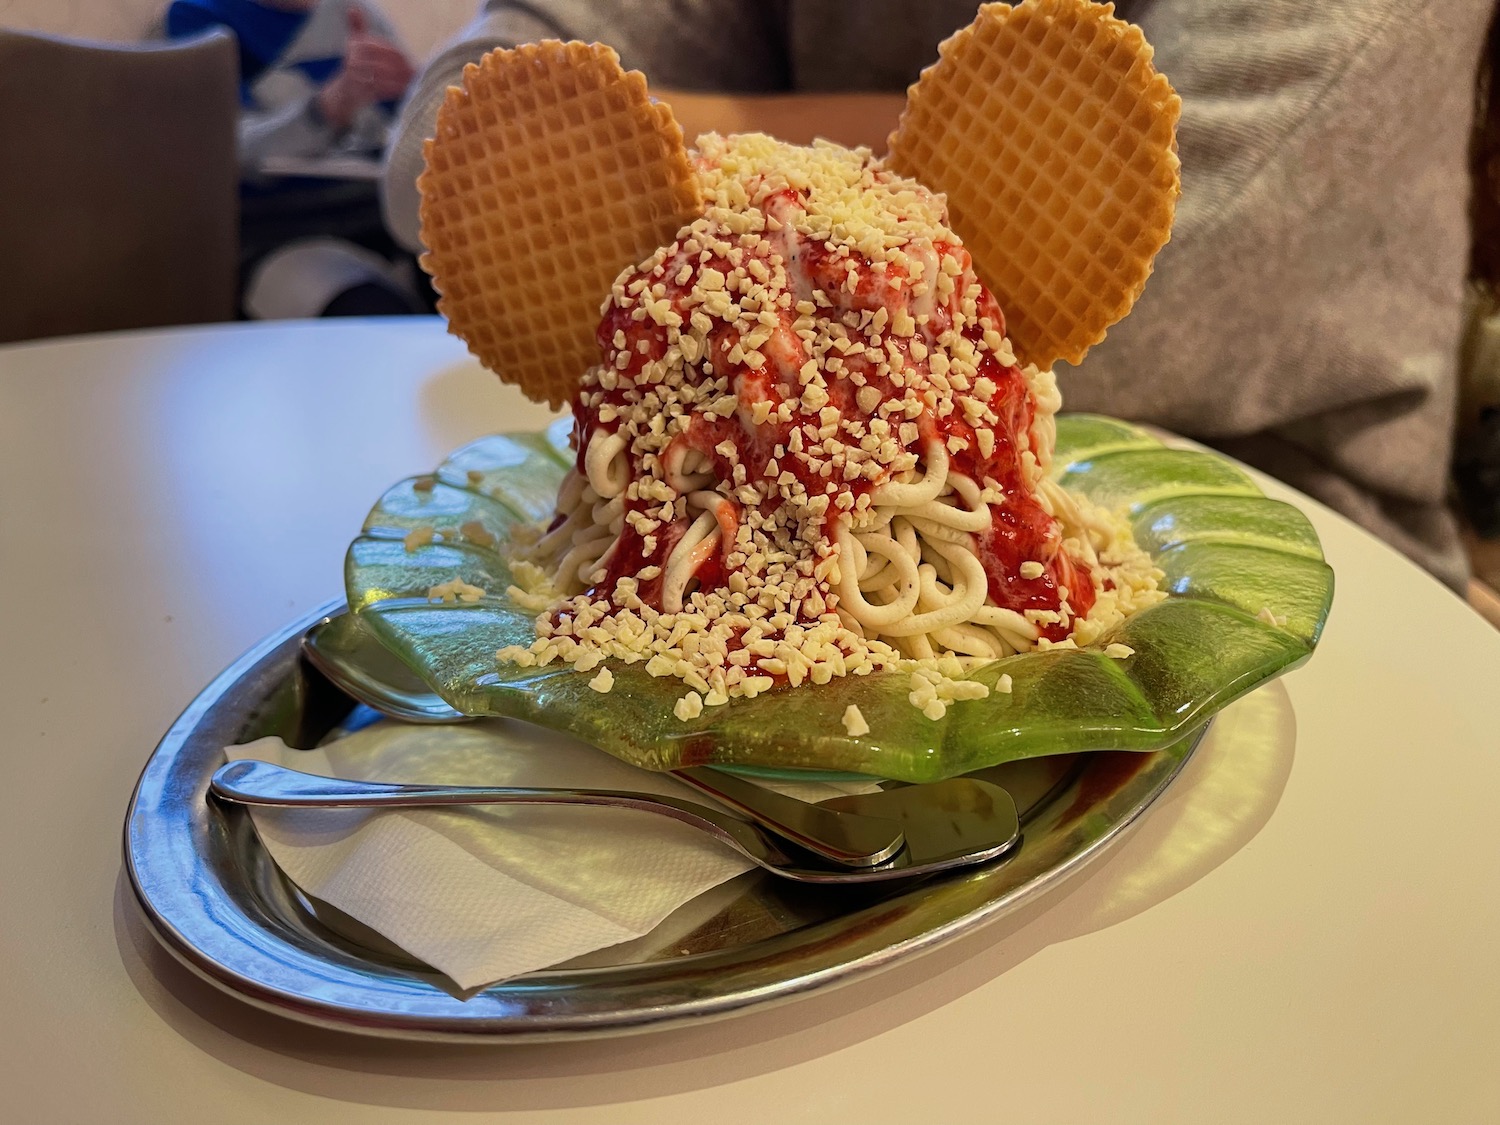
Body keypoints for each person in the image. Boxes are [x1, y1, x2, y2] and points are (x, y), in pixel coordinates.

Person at [381, 0, 1491, 590]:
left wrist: (727, 159)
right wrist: (873, 170)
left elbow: (1180, 257)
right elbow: (466, 140)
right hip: (696, 555)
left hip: (1310, 573)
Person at [167, 0, 428, 317]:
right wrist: (326, 109)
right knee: (370, 311)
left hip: (380, 217)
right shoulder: (199, 17)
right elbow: (213, 152)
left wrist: (418, 95)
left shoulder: (356, 13)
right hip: (279, 235)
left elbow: (405, 132)